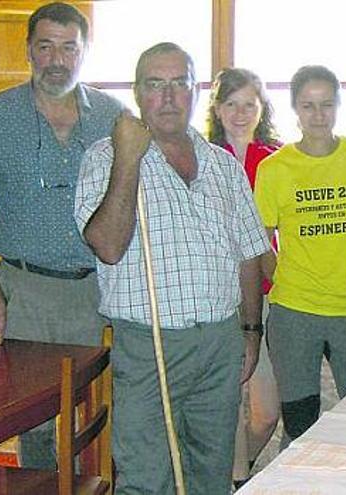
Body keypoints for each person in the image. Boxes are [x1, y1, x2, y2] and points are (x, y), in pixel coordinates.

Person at [74, 42, 269, 494]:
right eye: (154, 84)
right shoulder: (105, 158)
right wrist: (128, 159)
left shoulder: (223, 167)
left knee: (211, 471)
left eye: (178, 83)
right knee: (147, 477)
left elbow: (248, 253)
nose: (167, 96)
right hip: (149, 344)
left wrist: (250, 331)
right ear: (137, 93)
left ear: (195, 91)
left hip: (220, 341)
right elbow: (105, 245)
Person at [0, 3, 122, 469]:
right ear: (28, 50)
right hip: (26, 292)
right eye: (46, 47)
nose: (57, 60)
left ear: (85, 52)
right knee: (35, 421)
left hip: (101, 289)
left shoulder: (113, 116)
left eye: (69, 48)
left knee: (103, 415)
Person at [254, 65, 346, 443]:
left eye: (326, 105)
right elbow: (258, 239)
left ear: (339, 106)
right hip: (294, 312)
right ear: (295, 110)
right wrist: (281, 274)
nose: (318, 115)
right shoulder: (275, 168)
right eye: (308, 106)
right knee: (300, 423)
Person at [206, 67, 280, 486]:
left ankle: (232, 475)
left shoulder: (275, 158)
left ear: (261, 108)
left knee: (266, 410)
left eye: (249, 104)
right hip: (216, 296)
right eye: (231, 104)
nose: (240, 113)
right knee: (228, 403)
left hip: (267, 294)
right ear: (217, 108)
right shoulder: (199, 157)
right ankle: (233, 481)